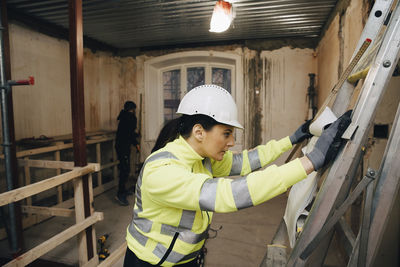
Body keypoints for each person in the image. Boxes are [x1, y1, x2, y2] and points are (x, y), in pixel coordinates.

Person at [123, 84, 351, 266]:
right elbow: (230, 194)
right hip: (150, 262)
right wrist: (310, 161)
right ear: (199, 131)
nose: (231, 142)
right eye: (226, 134)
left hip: (186, 260)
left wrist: (291, 139)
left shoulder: (202, 160)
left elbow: (244, 162)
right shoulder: (161, 171)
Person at [115, 100, 140, 206]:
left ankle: (123, 190)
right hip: (123, 146)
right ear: (132, 109)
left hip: (120, 146)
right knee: (125, 170)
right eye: (134, 109)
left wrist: (134, 135)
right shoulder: (130, 118)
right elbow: (129, 133)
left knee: (124, 168)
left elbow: (127, 131)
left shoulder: (123, 116)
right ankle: (120, 194)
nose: (135, 111)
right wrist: (136, 143)